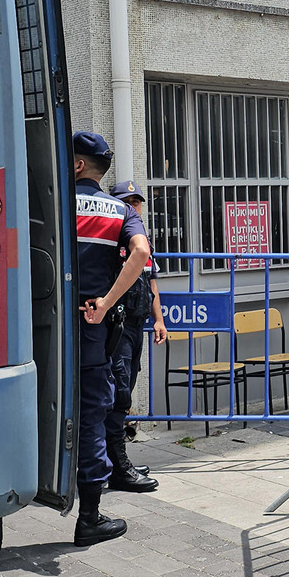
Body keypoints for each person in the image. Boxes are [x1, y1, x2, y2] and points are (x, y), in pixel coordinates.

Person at [0, 131, 149, 551]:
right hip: (88, 332)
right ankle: (89, 519)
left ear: (78, 165)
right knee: (90, 420)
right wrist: (104, 303)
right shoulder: (120, 211)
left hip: (27, 331)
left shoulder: (42, 205)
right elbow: (140, 253)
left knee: (11, 417)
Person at [104, 180, 167, 493]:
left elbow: (151, 283)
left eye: (137, 202)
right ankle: (114, 465)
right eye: (127, 202)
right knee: (119, 393)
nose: (134, 207)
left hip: (137, 322)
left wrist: (159, 319)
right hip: (116, 323)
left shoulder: (142, 242)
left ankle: (117, 460)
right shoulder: (111, 242)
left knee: (126, 385)